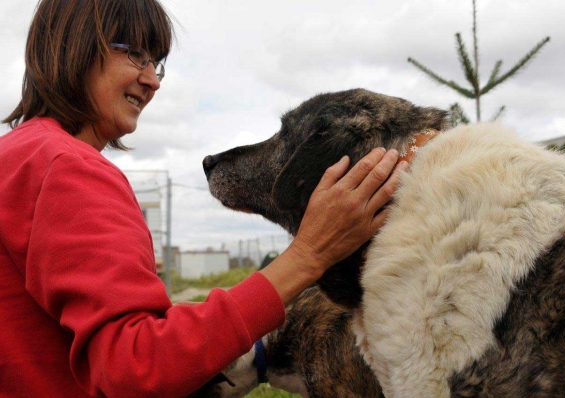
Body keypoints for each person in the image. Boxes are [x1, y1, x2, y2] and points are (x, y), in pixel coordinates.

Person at [0, 0, 407, 397]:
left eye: (155, 62)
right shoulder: (68, 168)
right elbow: (136, 366)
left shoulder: (17, 159)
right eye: (135, 54)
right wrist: (308, 256)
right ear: (75, 47)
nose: (153, 80)